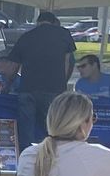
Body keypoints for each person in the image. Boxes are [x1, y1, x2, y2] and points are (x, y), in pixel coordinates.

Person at [9, 9, 78, 143]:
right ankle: (52, 155)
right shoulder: (63, 34)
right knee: (53, 127)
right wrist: (63, 83)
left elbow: (13, 66)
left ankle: (27, 155)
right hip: (54, 88)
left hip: (28, 88)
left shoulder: (27, 36)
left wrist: (8, 84)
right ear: (54, 22)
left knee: (26, 128)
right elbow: (68, 61)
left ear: (38, 22)